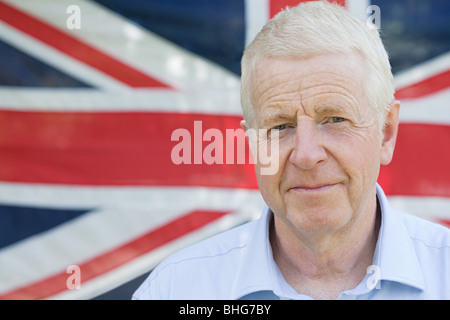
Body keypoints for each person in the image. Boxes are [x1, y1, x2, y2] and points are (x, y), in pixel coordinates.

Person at [133, 1, 449, 300]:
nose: (306, 155)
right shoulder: (177, 289)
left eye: (335, 119)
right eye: (280, 126)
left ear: (386, 132)